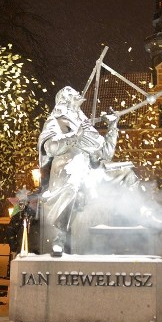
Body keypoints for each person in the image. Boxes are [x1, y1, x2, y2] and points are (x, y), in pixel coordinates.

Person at [38, 86, 136, 255]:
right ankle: (59, 237)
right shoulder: (56, 120)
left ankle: (132, 224)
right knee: (73, 182)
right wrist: (75, 136)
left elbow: (105, 154)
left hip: (91, 169)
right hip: (68, 167)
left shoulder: (84, 123)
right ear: (66, 100)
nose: (78, 94)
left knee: (127, 173)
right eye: (72, 93)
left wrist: (112, 126)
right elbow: (50, 147)